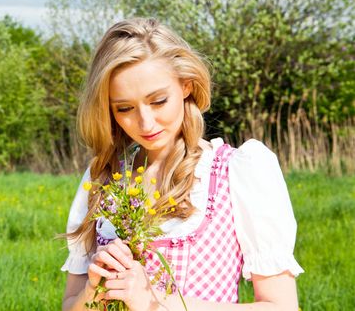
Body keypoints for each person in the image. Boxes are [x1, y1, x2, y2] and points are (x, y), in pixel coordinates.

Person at [61, 18, 303, 311]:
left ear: (186, 85)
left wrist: (154, 302)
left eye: (159, 101)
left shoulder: (236, 172)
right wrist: (93, 290)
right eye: (124, 108)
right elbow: (70, 305)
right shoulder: (103, 178)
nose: (145, 123)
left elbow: (281, 307)